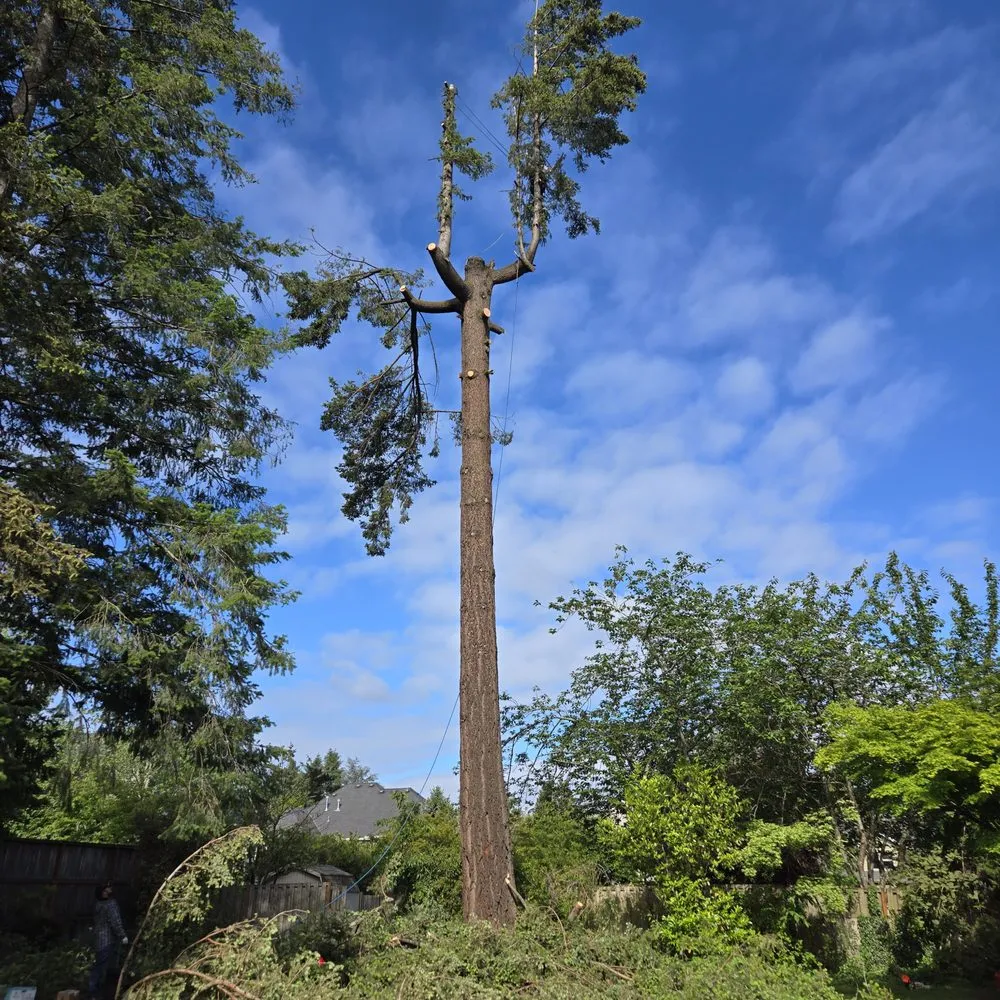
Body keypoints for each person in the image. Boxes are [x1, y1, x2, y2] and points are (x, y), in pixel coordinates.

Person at [88, 883, 128, 999]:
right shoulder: (110, 904)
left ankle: (95, 991)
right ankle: (96, 992)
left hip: (98, 939)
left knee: (99, 964)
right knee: (102, 967)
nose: (111, 889)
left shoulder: (98, 904)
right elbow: (115, 921)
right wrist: (122, 935)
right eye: (108, 888)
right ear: (104, 892)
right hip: (107, 940)